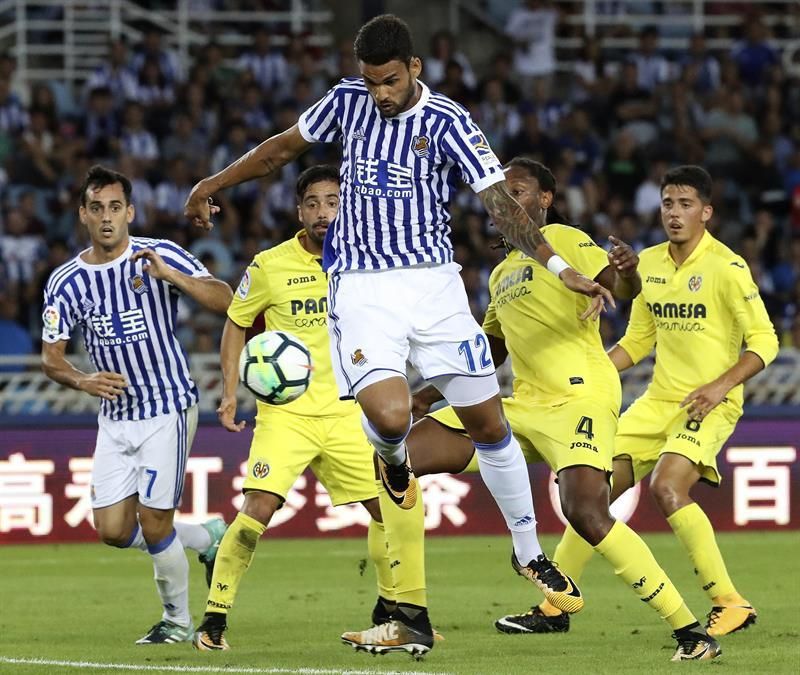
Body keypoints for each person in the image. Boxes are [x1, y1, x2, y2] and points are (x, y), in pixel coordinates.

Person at [185, 14, 613, 657]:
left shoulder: (448, 121)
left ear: (414, 68)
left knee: (489, 423)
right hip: (363, 288)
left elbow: (501, 206)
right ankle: (391, 460)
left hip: (435, 286)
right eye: (370, 82)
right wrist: (212, 183)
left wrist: (559, 268)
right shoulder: (346, 103)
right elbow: (280, 149)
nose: (380, 94)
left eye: (389, 81)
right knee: (389, 416)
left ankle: (528, 551)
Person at [399, 159, 722, 662]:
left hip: (580, 397)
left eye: (519, 191)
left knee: (586, 512)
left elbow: (614, 285)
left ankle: (691, 632)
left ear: (545, 200)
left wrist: (628, 274)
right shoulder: (501, 273)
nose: (506, 202)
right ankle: (404, 607)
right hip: (522, 405)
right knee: (398, 459)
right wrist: (427, 395)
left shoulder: (564, 239)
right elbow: (491, 349)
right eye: (501, 194)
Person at [534, 165, 779, 640]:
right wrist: (588, 373)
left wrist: (719, 387)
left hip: (707, 404)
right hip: (656, 401)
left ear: (706, 212)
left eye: (686, 204)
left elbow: (765, 341)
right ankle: (554, 606)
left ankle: (729, 601)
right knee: (593, 489)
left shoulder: (727, 268)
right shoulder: (647, 264)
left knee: (667, 487)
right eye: (668, 203)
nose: (675, 213)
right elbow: (637, 341)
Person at [193, 165, 428, 652]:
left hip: (349, 414)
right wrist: (231, 391)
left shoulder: (369, 261)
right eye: (314, 203)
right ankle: (214, 620)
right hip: (287, 416)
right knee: (257, 511)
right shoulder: (269, 265)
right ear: (299, 212)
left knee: (389, 512)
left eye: (333, 202)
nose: (324, 212)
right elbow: (237, 321)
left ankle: (391, 612)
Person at [40, 165, 232, 644]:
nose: (106, 217)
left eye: (115, 207)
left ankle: (177, 621)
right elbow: (51, 359)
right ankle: (207, 537)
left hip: (167, 407)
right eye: (96, 208)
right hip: (115, 418)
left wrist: (172, 276)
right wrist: (83, 380)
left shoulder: (159, 254)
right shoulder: (66, 282)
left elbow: (227, 299)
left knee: (154, 520)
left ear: (130, 212)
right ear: (83, 215)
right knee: (113, 530)